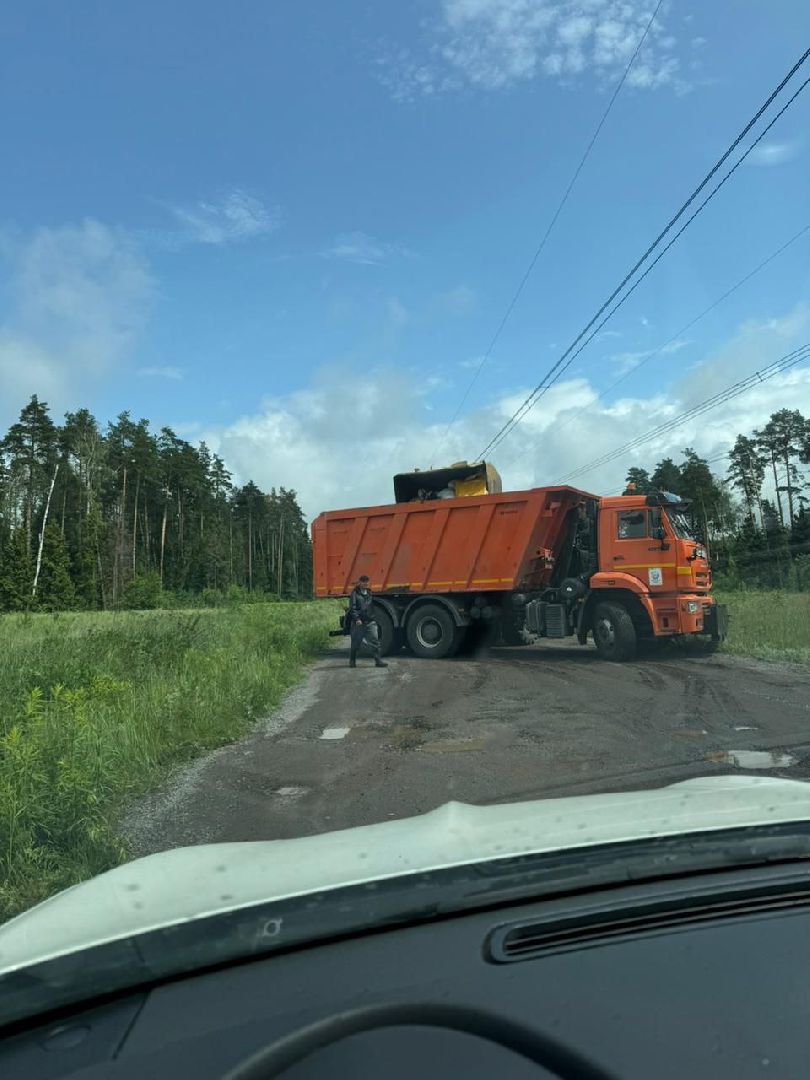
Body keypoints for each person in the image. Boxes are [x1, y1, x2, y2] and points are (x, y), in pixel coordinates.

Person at [348, 575, 388, 669]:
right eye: (363, 582)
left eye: (367, 582)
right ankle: (352, 661)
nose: (365, 583)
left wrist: (373, 617)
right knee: (355, 643)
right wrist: (357, 619)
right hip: (359, 622)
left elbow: (371, 606)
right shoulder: (355, 593)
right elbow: (352, 608)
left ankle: (378, 661)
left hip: (370, 621)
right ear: (360, 582)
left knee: (375, 641)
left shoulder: (369, 593)